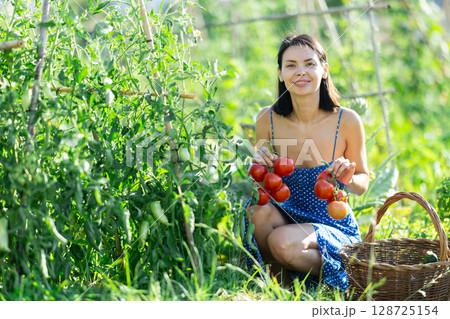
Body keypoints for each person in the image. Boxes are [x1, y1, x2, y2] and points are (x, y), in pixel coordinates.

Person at [243, 34, 370, 292]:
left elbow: (363, 182)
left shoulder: (347, 121)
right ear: (280, 74)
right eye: (290, 65)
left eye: (309, 64)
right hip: (285, 215)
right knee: (256, 210)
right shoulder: (266, 119)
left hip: (331, 223)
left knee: (281, 242)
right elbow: (264, 179)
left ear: (324, 70)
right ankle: (282, 288)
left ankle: (348, 270)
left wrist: (347, 178)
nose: (300, 72)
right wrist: (260, 162)